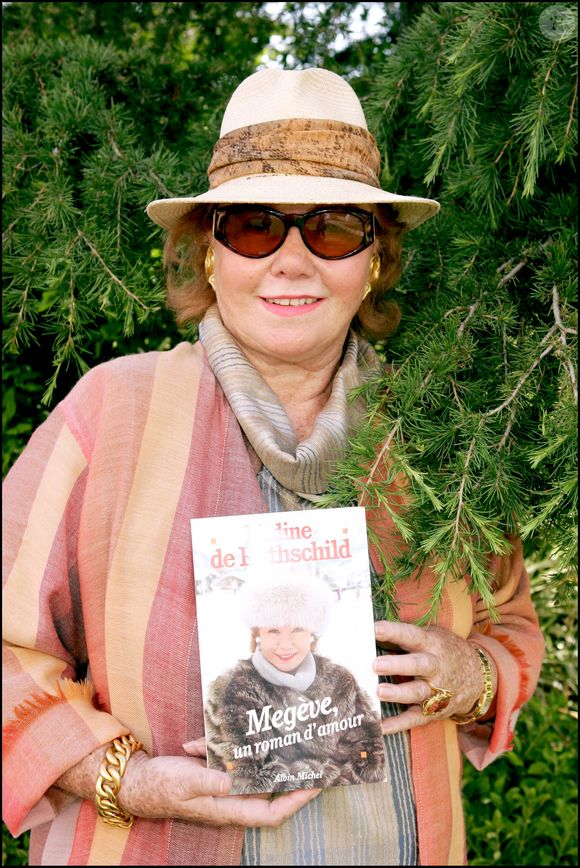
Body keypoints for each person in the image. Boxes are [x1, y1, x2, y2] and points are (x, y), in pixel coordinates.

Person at [2, 67, 544, 866]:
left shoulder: (438, 437)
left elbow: (512, 628)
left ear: (374, 263)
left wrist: (473, 675)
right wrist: (128, 779)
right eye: (255, 226)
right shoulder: (111, 413)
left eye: (331, 228)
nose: (292, 261)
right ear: (210, 256)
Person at [204, 576, 386, 793]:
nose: (285, 644)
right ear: (258, 633)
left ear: (312, 632)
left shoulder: (339, 680)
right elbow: (244, 778)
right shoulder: (232, 691)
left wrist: (302, 772)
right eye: (274, 630)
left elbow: (370, 758)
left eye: (298, 629)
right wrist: (331, 772)